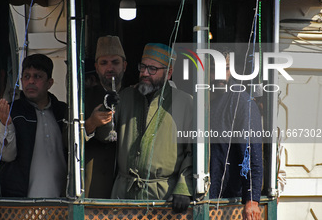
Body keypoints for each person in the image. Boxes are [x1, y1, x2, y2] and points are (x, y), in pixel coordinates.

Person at [101, 43, 193, 214]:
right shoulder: (125, 97)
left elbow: (193, 152)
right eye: (142, 67)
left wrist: (183, 188)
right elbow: (105, 137)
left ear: (169, 73)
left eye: (152, 69)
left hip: (164, 198)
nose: (144, 73)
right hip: (124, 195)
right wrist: (107, 109)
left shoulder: (186, 103)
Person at [0, 54, 67, 198]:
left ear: (50, 82)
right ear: (21, 80)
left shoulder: (63, 111)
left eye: (38, 76)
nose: (31, 81)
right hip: (23, 203)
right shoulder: (12, 111)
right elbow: (7, 156)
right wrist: (6, 124)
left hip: (63, 202)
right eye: (26, 77)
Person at [209, 51, 263, 220]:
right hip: (203, 193)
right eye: (213, 70)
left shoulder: (241, 102)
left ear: (231, 70)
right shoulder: (200, 98)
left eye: (224, 69)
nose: (219, 76)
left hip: (229, 198)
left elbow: (251, 152)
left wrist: (252, 200)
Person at [84, 35, 127, 198]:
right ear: (96, 67)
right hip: (95, 186)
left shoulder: (134, 96)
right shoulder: (83, 98)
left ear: (124, 65)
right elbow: (66, 140)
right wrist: (91, 123)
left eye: (115, 62)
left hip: (126, 189)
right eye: (104, 63)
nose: (110, 68)